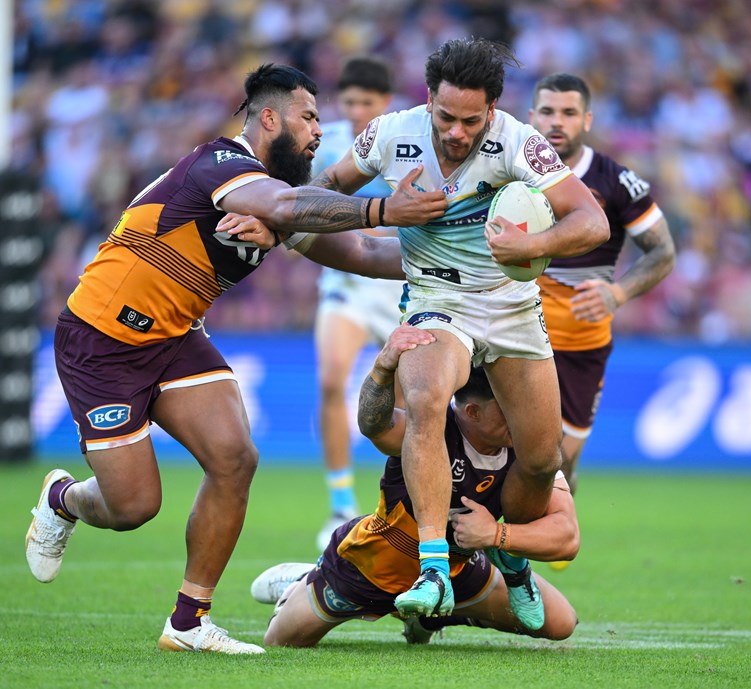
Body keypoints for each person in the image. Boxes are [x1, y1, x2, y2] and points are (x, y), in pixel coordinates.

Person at [24, 63, 446, 655]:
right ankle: (62, 499)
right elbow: (293, 205)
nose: (318, 131)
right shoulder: (222, 163)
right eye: (308, 117)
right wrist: (382, 210)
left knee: (235, 457)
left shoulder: (276, 201)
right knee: (133, 506)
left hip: (173, 337)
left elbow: (360, 253)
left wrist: (461, 255)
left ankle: (188, 622)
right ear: (268, 118)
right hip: (103, 338)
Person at [309, 38, 608, 617]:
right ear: (429, 99)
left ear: (492, 109)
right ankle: (433, 569)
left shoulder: (519, 141)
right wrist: (380, 211)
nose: (455, 131)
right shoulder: (389, 134)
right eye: (445, 116)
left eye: (471, 121)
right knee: (425, 400)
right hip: (436, 297)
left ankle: (511, 560)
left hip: (512, 304)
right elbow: (319, 195)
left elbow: (591, 221)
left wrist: (534, 245)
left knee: (541, 459)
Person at [249, 324, 580, 648]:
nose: (522, 414)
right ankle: (304, 578)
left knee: (561, 622)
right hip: (371, 566)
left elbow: (566, 536)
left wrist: (496, 535)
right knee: (281, 640)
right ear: (473, 412)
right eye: (509, 407)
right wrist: (382, 367)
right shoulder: (428, 428)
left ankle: (429, 616)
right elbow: (373, 425)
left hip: (456, 570)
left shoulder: (530, 446)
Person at [529, 73, 676, 497]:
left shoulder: (616, 181)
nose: (557, 122)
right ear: (532, 116)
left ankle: (558, 515)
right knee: (504, 449)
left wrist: (618, 293)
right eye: (548, 111)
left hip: (581, 341)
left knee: (558, 466)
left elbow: (663, 251)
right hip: (516, 331)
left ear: (587, 120)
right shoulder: (508, 171)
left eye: (569, 113)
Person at [310, 56, 407, 550]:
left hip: (398, 284)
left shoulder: (407, 142)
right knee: (331, 381)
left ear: (384, 102)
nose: (356, 111)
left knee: (408, 403)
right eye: (348, 102)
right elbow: (304, 204)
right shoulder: (324, 146)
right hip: (345, 284)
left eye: (366, 102)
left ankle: (403, 505)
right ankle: (340, 504)